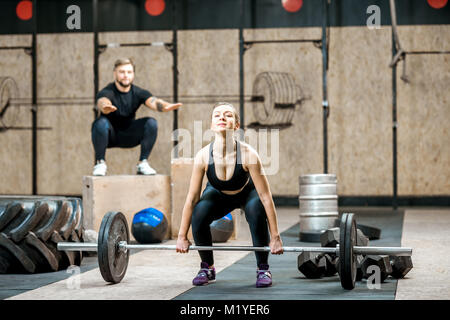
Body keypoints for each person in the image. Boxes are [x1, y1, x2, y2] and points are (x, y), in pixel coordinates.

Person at [176, 102, 284, 288]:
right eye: (217, 115)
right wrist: (181, 236)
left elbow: (265, 196)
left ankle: (263, 268)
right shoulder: (203, 156)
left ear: (236, 125)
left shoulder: (249, 155)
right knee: (199, 211)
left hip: (246, 194)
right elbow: (191, 198)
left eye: (228, 115)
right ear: (211, 125)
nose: (222, 118)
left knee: (257, 211)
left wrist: (275, 236)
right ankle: (207, 267)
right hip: (217, 195)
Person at [91, 58, 182, 176]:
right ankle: (100, 163)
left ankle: (142, 163)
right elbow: (102, 101)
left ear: (133, 74)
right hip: (109, 136)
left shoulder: (138, 92)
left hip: (130, 135)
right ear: (115, 73)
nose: (125, 75)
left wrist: (166, 106)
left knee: (151, 123)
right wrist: (105, 107)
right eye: (122, 72)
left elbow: (153, 102)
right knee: (100, 123)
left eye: (129, 72)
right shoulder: (108, 91)